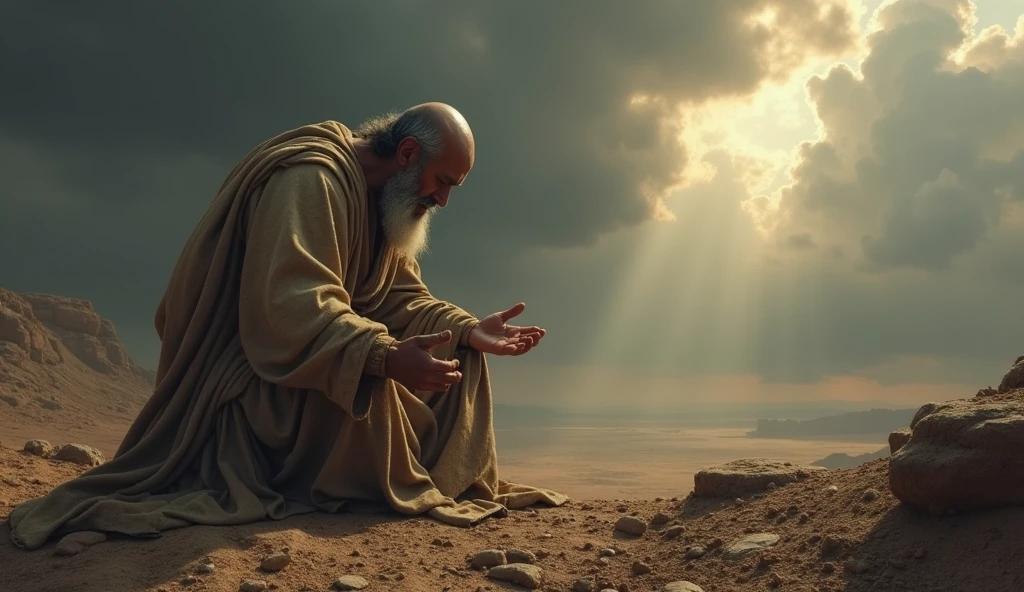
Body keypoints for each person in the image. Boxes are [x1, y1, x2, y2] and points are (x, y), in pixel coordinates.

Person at [9, 102, 568, 552]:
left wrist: (468, 329)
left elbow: (398, 296)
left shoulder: (385, 204)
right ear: (405, 153)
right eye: (442, 182)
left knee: (460, 357)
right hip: (253, 377)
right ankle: (377, 479)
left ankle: (411, 475)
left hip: (312, 350)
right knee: (359, 382)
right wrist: (381, 355)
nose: (442, 200)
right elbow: (291, 310)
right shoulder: (311, 181)